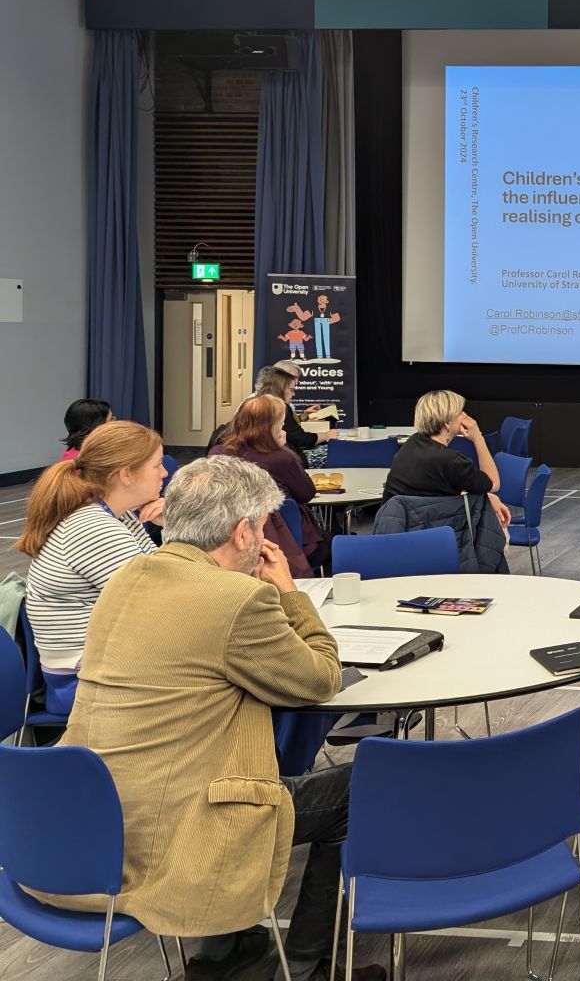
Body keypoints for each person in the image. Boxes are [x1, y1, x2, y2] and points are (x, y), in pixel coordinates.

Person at [29, 456, 380, 981]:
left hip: (79, 820)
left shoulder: (127, 579)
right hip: (171, 830)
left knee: (230, 756)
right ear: (243, 533)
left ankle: (228, 948)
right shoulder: (237, 598)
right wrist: (287, 592)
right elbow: (321, 678)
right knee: (365, 787)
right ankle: (307, 964)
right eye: (262, 527)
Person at [14, 421, 165, 711]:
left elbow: (161, 574)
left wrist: (170, 526)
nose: (165, 473)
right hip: (82, 682)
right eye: (157, 465)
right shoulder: (92, 527)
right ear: (126, 474)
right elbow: (158, 599)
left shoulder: (117, 516)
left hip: (97, 666)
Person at [209, 393, 328, 572]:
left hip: (227, 540)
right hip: (288, 536)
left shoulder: (217, 454)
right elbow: (307, 493)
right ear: (271, 427)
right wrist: (282, 449)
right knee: (329, 548)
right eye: (281, 425)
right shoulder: (279, 458)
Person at [384, 389, 511, 528]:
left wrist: (487, 497)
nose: (465, 415)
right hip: (433, 536)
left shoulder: (411, 444)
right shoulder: (452, 460)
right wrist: (478, 438)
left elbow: (436, 490)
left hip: (398, 532)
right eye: (461, 412)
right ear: (447, 423)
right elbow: (493, 483)